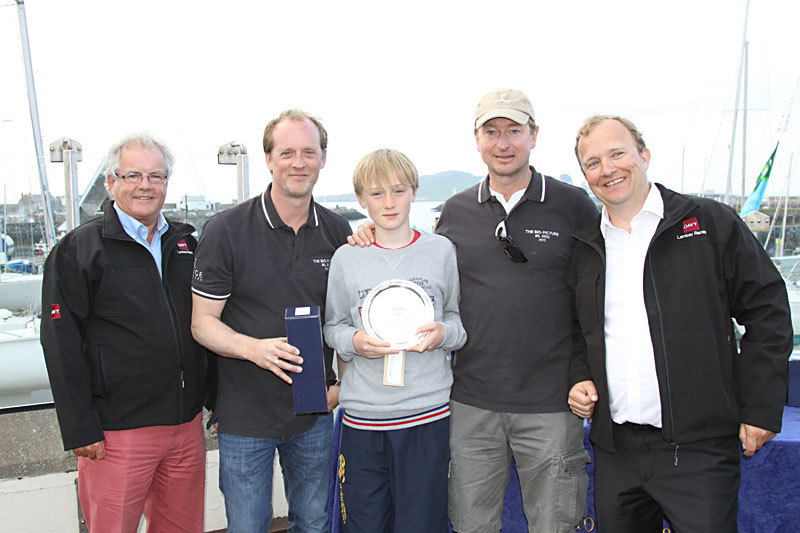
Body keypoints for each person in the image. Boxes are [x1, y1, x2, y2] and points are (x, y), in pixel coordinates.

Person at [351, 89, 598, 532]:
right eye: (492, 132)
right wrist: (371, 233)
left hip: (551, 404)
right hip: (470, 405)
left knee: (556, 525)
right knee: (470, 526)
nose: (503, 143)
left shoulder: (574, 206)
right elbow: (420, 268)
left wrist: (583, 372)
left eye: (514, 131)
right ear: (477, 139)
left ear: (534, 135)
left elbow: (592, 303)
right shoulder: (456, 211)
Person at [567, 115, 792, 532]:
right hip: (616, 451)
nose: (607, 169)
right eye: (593, 162)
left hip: (700, 450)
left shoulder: (710, 222)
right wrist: (580, 376)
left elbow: (768, 311)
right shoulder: (585, 245)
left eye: (617, 153)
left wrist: (761, 408)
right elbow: (579, 331)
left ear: (644, 155)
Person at [191, 109, 352, 532]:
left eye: (309, 152)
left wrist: (340, 388)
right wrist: (254, 349)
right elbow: (202, 323)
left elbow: (347, 319)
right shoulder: (225, 230)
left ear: (322, 159)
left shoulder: (338, 232)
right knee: (248, 526)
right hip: (245, 418)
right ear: (268, 159)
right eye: (287, 153)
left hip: (314, 416)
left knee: (315, 523)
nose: (299, 163)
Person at [40, 134, 209, 532]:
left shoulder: (185, 244)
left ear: (166, 183)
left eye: (155, 176)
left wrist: (214, 396)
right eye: (132, 175)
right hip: (117, 433)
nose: (145, 186)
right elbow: (60, 342)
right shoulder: (79, 249)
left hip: (185, 426)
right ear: (111, 182)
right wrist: (80, 427)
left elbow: (205, 323)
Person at [324, 148, 467, 532]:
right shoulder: (346, 258)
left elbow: (457, 323)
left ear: (414, 192)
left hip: (427, 415)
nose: (389, 203)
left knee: (421, 524)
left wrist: (442, 334)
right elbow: (333, 327)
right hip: (363, 420)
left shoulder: (441, 251)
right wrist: (354, 341)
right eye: (377, 193)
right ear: (361, 200)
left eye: (399, 191)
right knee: (364, 525)